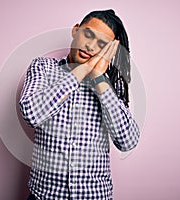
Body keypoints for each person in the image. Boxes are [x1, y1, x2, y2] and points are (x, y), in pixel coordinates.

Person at [19, 9, 140, 200]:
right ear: (76, 30)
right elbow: (31, 114)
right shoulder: (43, 67)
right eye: (88, 34)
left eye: (101, 43)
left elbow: (127, 141)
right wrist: (81, 71)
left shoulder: (109, 83)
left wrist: (99, 78)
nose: (91, 46)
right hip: (44, 196)